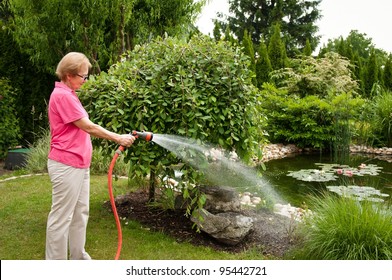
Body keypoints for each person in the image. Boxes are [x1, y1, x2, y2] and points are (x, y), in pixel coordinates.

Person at [46, 52, 135, 260]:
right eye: (83, 77)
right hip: (66, 164)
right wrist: (118, 138)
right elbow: (88, 126)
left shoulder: (70, 94)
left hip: (79, 164)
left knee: (80, 213)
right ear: (69, 75)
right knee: (61, 218)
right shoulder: (63, 96)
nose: (85, 81)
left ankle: (78, 257)